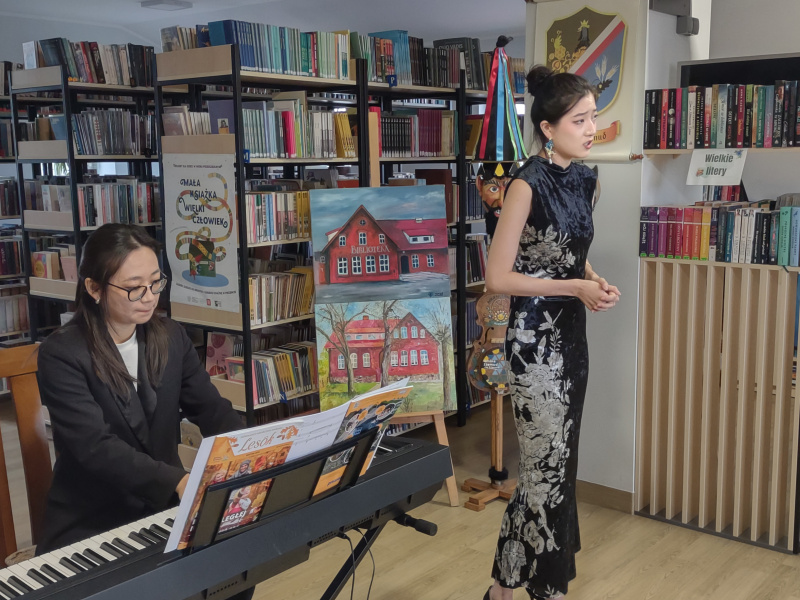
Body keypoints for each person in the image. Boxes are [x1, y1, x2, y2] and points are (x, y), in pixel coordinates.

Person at [36, 224, 252, 597]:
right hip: (94, 518)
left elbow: (211, 409)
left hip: (164, 508)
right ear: (94, 288)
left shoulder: (170, 336)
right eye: (134, 287)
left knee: (240, 570)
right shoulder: (62, 353)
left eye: (155, 283)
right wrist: (179, 482)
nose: (149, 297)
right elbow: (95, 447)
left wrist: (252, 450)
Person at [483, 65, 621, 600]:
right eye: (579, 120)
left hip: (572, 340)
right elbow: (498, 278)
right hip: (534, 346)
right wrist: (573, 288)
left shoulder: (587, 181)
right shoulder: (525, 184)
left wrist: (593, 280)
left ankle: (502, 589)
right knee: (545, 471)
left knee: (558, 468)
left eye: (593, 117)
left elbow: (566, 254)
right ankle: (546, 588)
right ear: (547, 127)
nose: (591, 129)